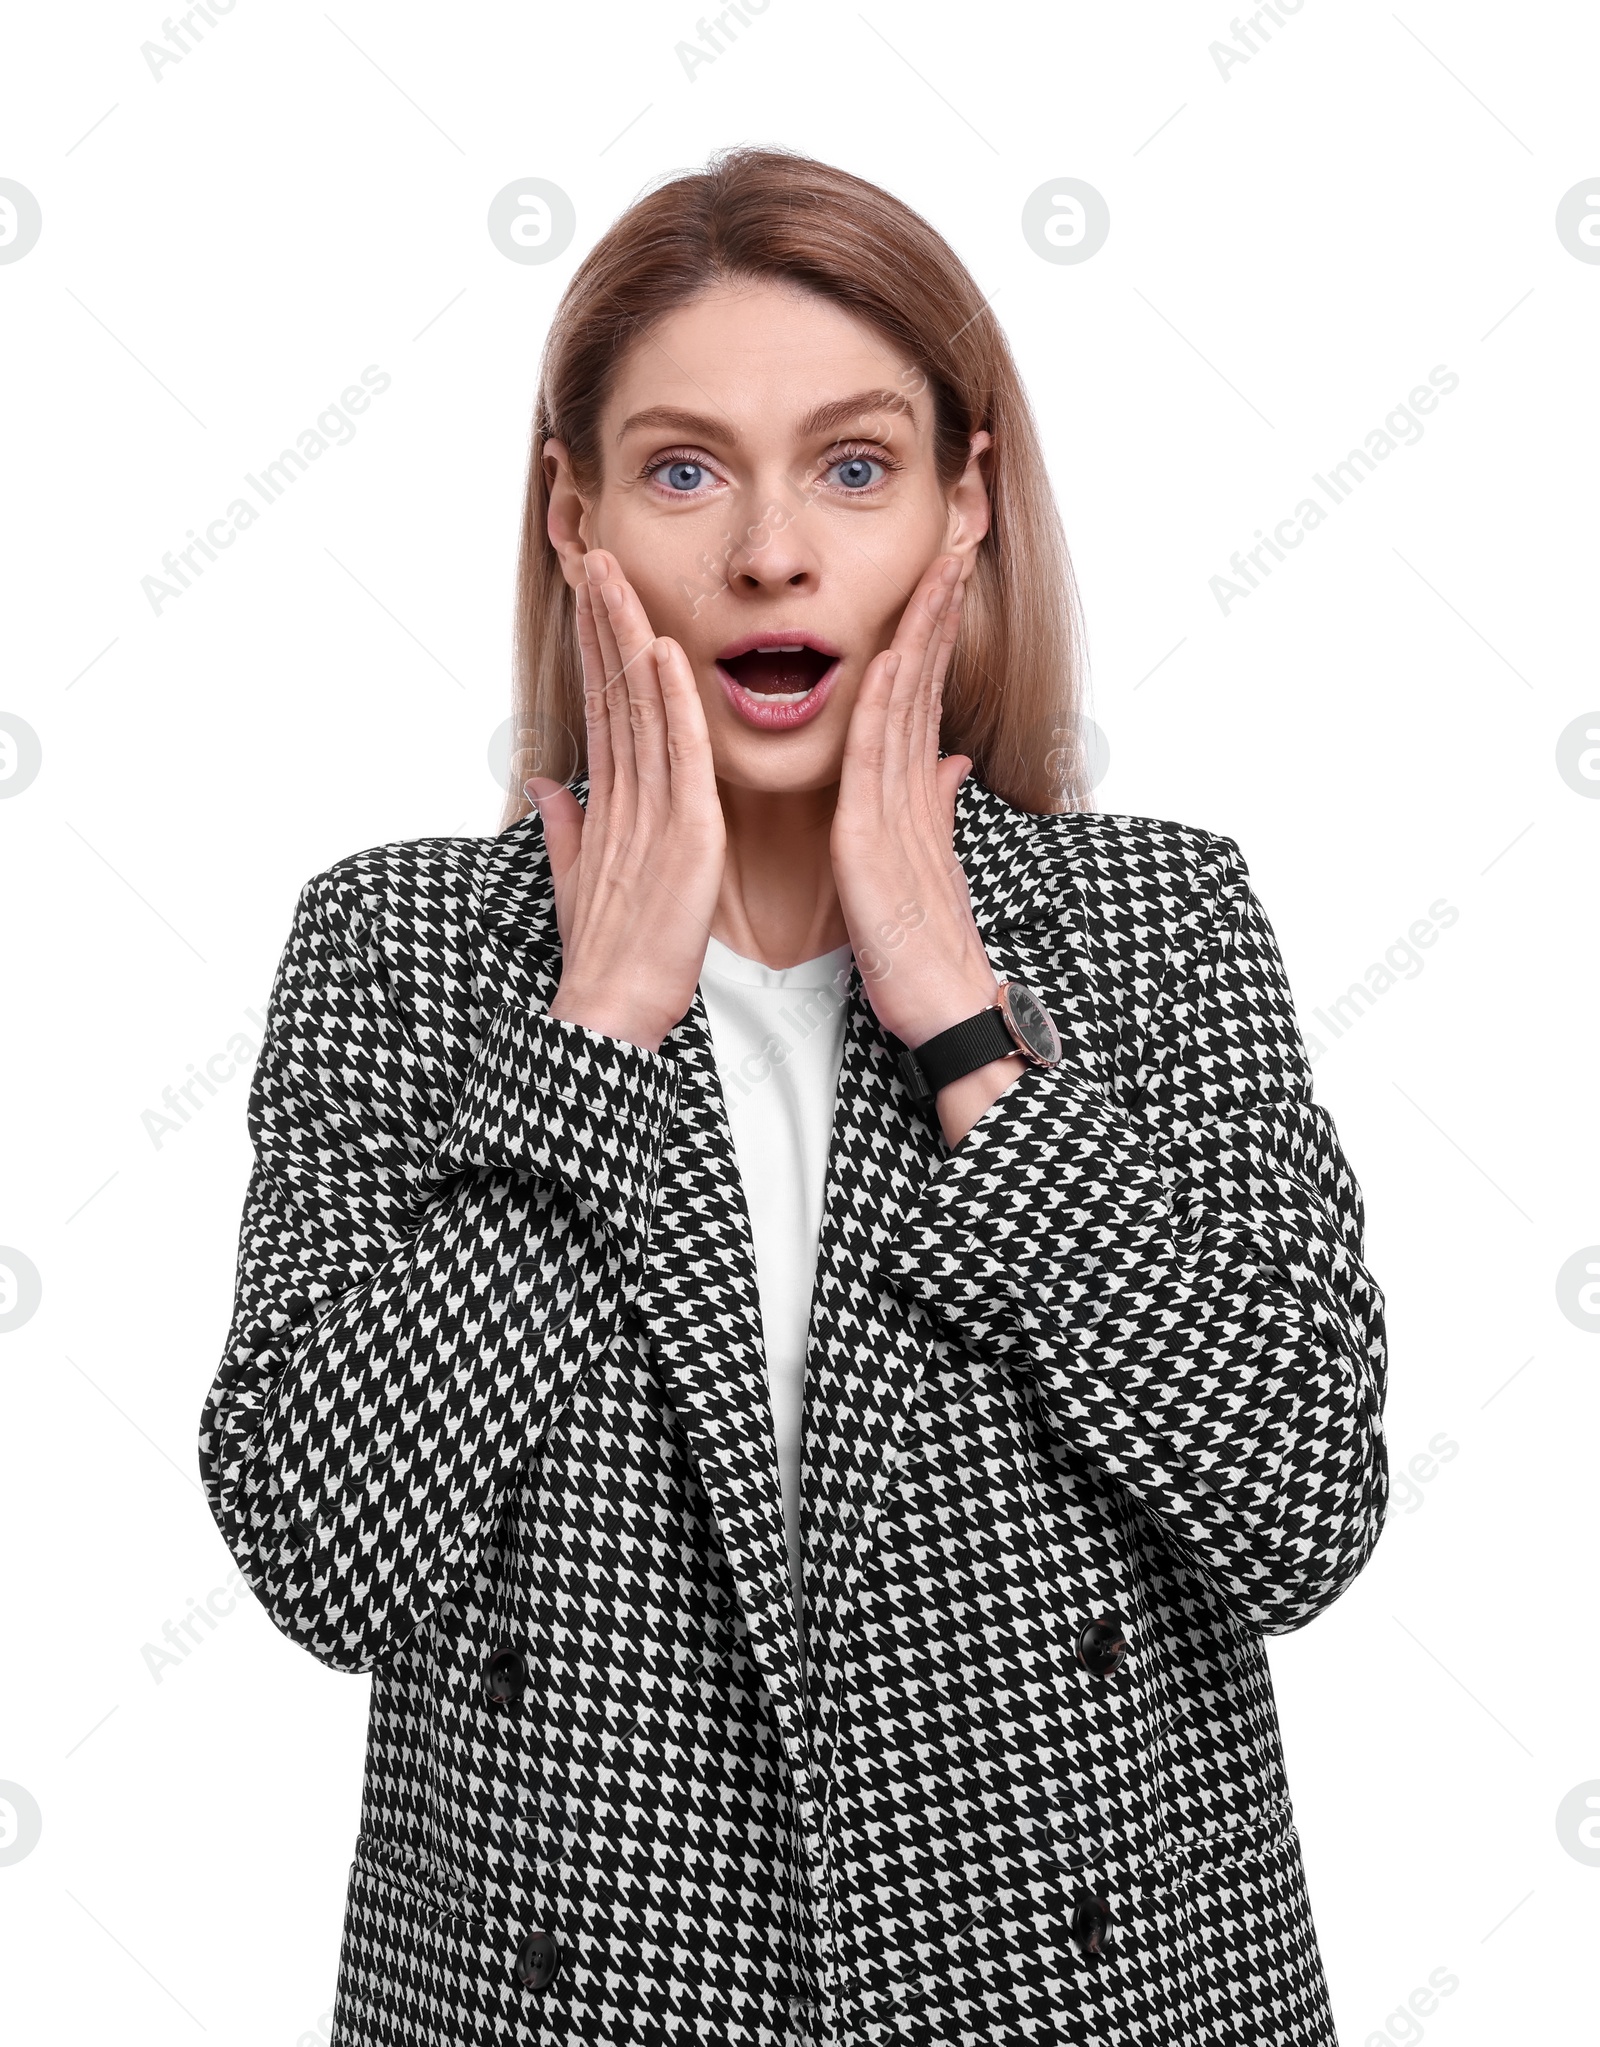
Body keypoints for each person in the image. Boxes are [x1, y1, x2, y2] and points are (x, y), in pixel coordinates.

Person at [199, 146, 1389, 2046]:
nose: (772, 550)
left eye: (854, 466)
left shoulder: (1158, 921)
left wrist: (955, 1010)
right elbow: (322, 1551)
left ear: (962, 508)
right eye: (685, 470)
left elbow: (1303, 1509)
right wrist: (597, 1028)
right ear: (571, 511)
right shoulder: (398, 950)